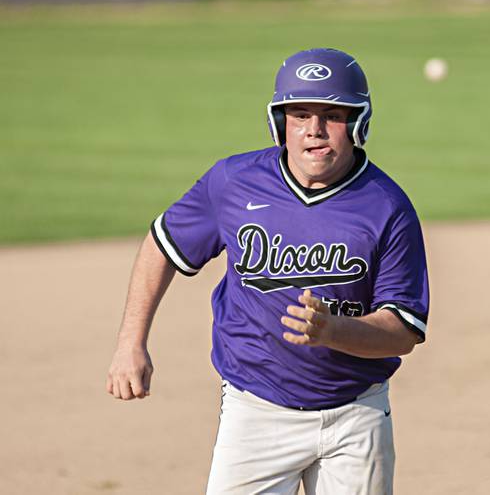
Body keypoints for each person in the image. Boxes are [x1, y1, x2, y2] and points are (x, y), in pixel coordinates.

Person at [106, 48, 430, 494]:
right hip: (255, 412)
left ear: (357, 123)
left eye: (331, 114)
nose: (314, 130)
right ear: (280, 123)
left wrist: (332, 330)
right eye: (299, 114)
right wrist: (130, 344)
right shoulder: (233, 183)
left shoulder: (388, 207)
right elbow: (161, 246)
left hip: (357, 417)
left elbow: (402, 331)